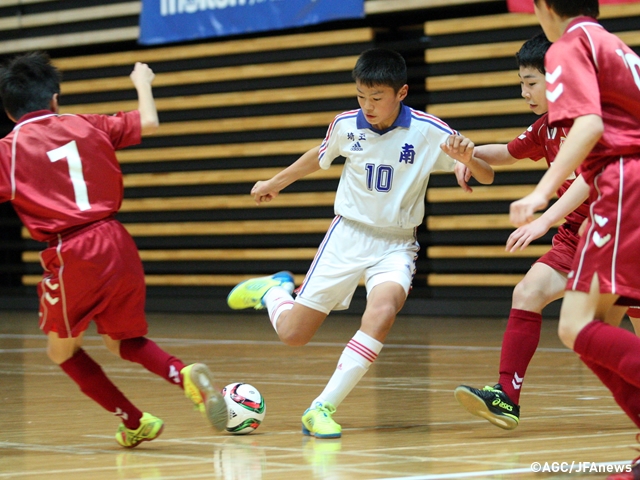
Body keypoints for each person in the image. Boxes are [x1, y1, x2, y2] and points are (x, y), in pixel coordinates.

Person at [226, 48, 494, 439]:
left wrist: (468, 160)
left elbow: (486, 176)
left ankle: (322, 407)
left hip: (396, 244)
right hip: (348, 236)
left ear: (401, 92)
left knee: (382, 311)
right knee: (294, 335)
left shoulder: (429, 131)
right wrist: (275, 182)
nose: (367, 105)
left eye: (377, 97)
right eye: (361, 96)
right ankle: (274, 291)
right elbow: (318, 157)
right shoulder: (345, 125)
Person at [0, 52, 227, 448]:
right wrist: (142, 83)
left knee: (61, 351)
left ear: (8, 111)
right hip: (117, 241)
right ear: (54, 99)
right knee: (122, 340)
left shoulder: (9, 150)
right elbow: (149, 122)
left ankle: (134, 420)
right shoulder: (85, 123)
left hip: (72, 250)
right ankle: (183, 374)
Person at [451, 33, 640, 431]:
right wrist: (469, 153)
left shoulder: (594, 120)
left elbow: (588, 179)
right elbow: (507, 152)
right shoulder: (546, 128)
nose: (525, 92)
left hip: (623, 232)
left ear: (558, 78)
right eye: (521, 83)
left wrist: (543, 217)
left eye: (531, 82)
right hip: (580, 236)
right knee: (529, 292)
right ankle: (506, 396)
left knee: (602, 333)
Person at [508, 1, 640, 477]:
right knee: (593, 329)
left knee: (576, 327)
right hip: (625, 184)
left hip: (625, 183)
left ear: (545, 7)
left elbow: (590, 125)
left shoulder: (568, 45)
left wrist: (542, 193)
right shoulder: (618, 47)